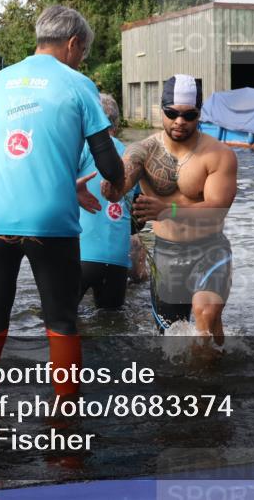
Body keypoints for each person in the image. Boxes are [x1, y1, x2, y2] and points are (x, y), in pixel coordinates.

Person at [0, 5, 125, 405]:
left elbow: (14, 154)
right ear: (73, 44)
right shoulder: (79, 84)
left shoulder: (0, 81)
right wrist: (117, 185)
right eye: (83, 51)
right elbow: (108, 163)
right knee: (62, 324)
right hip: (51, 223)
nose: (81, 58)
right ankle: (64, 421)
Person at [103, 74, 237, 344]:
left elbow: (216, 209)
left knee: (204, 314)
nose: (179, 121)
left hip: (209, 250)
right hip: (166, 256)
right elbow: (120, 184)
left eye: (189, 115)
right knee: (171, 342)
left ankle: (210, 367)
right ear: (161, 110)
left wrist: (168, 210)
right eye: (172, 113)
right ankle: (214, 357)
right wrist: (112, 187)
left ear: (199, 114)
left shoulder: (219, 155)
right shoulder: (143, 151)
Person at [77, 93, 142, 309]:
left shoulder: (82, 147)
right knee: (111, 322)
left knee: (59, 320)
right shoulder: (132, 156)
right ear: (116, 124)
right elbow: (138, 218)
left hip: (81, 255)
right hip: (117, 261)